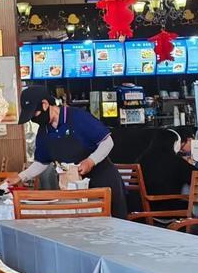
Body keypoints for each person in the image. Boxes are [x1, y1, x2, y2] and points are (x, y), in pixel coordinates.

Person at [9, 85, 127, 218]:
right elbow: (42, 162)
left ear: (45, 104)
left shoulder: (78, 117)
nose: (34, 119)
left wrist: (91, 161)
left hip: (103, 183)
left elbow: (108, 142)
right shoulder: (44, 131)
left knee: (109, 226)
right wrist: (21, 176)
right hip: (73, 188)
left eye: (34, 114)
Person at [137, 127, 198, 200]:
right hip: (169, 203)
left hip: (143, 204)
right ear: (175, 144)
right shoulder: (175, 161)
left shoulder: (141, 159)